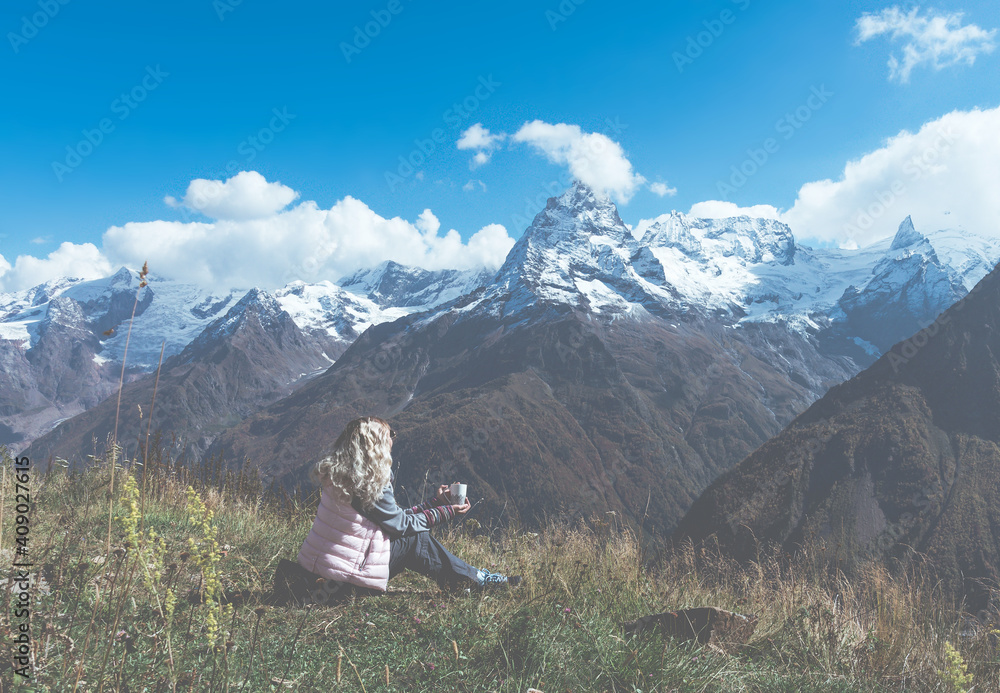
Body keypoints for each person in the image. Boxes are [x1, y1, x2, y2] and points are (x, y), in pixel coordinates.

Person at [295, 416, 520, 600]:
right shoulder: (371, 483)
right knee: (416, 539)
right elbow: (401, 526)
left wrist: (436, 504)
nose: (392, 445)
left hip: (315, 575)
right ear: (376, 448)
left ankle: (464, 582)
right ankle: (480, 581)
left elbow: (392, 519)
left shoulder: (339, 475)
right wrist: (448, 511)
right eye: (389, 440)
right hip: (342, 585)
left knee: (414, 537)